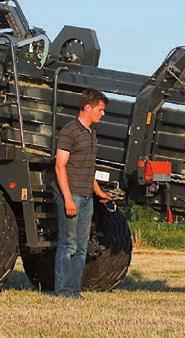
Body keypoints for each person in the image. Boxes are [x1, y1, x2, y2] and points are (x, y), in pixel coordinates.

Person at [54, 88, 111, 298]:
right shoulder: (70, 131)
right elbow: (60, 166)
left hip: (87, 197)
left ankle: (74, 290)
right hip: (72, 196)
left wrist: (98, 192)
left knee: (80, 247)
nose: (102, 114)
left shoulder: (91, 133)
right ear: (87, 108)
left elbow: (89, 167)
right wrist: (68, 199)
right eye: (100, 109)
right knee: (68, 245)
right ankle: (62, 291)